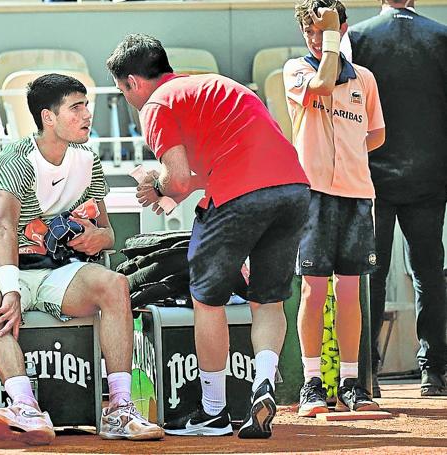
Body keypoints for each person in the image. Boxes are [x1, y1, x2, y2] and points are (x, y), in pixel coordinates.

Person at [107, 34, 310, 439]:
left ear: (132, 82)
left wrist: (157, 187)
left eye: (122, 90)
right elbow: (215, 164)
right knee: (268, 300)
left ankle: (213, 412)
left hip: (238, 197)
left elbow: (178, 179)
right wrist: (171, 185)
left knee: (207, 301)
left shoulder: (156, 105)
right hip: (294, 190)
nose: (127, 99)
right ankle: (263, 384)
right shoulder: (216, 85)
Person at [0, 73, 164, 445]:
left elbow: (108, 233)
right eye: (76, 107)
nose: (87, 115)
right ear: (48, 118)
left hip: (54, 269)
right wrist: (10, 291)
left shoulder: (87, 159)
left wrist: (95, 238)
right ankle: (25, 408)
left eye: (87, 105)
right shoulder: (15, 160)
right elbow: (3, 230)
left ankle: (120, 409)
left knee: (115, 284)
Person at [284, 0, 386, 417]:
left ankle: (350, 383)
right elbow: (323, 85)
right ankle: (312, 382)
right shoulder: (299, 70)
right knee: (314, 288)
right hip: (314, 194)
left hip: (357, 194)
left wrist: (348, 155)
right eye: (309, 28)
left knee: (349, 291)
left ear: (345, 26)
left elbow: (376, 135)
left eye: (323, 28)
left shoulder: (364, 78)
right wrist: (328, 41)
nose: (314, 35)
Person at [345, 0, 447, 397]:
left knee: (373, 273)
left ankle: (367, 371)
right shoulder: (441, 37)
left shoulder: (358, 37)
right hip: (430, 175)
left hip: (372, 177)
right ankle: (433, 370)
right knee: (428, 272)